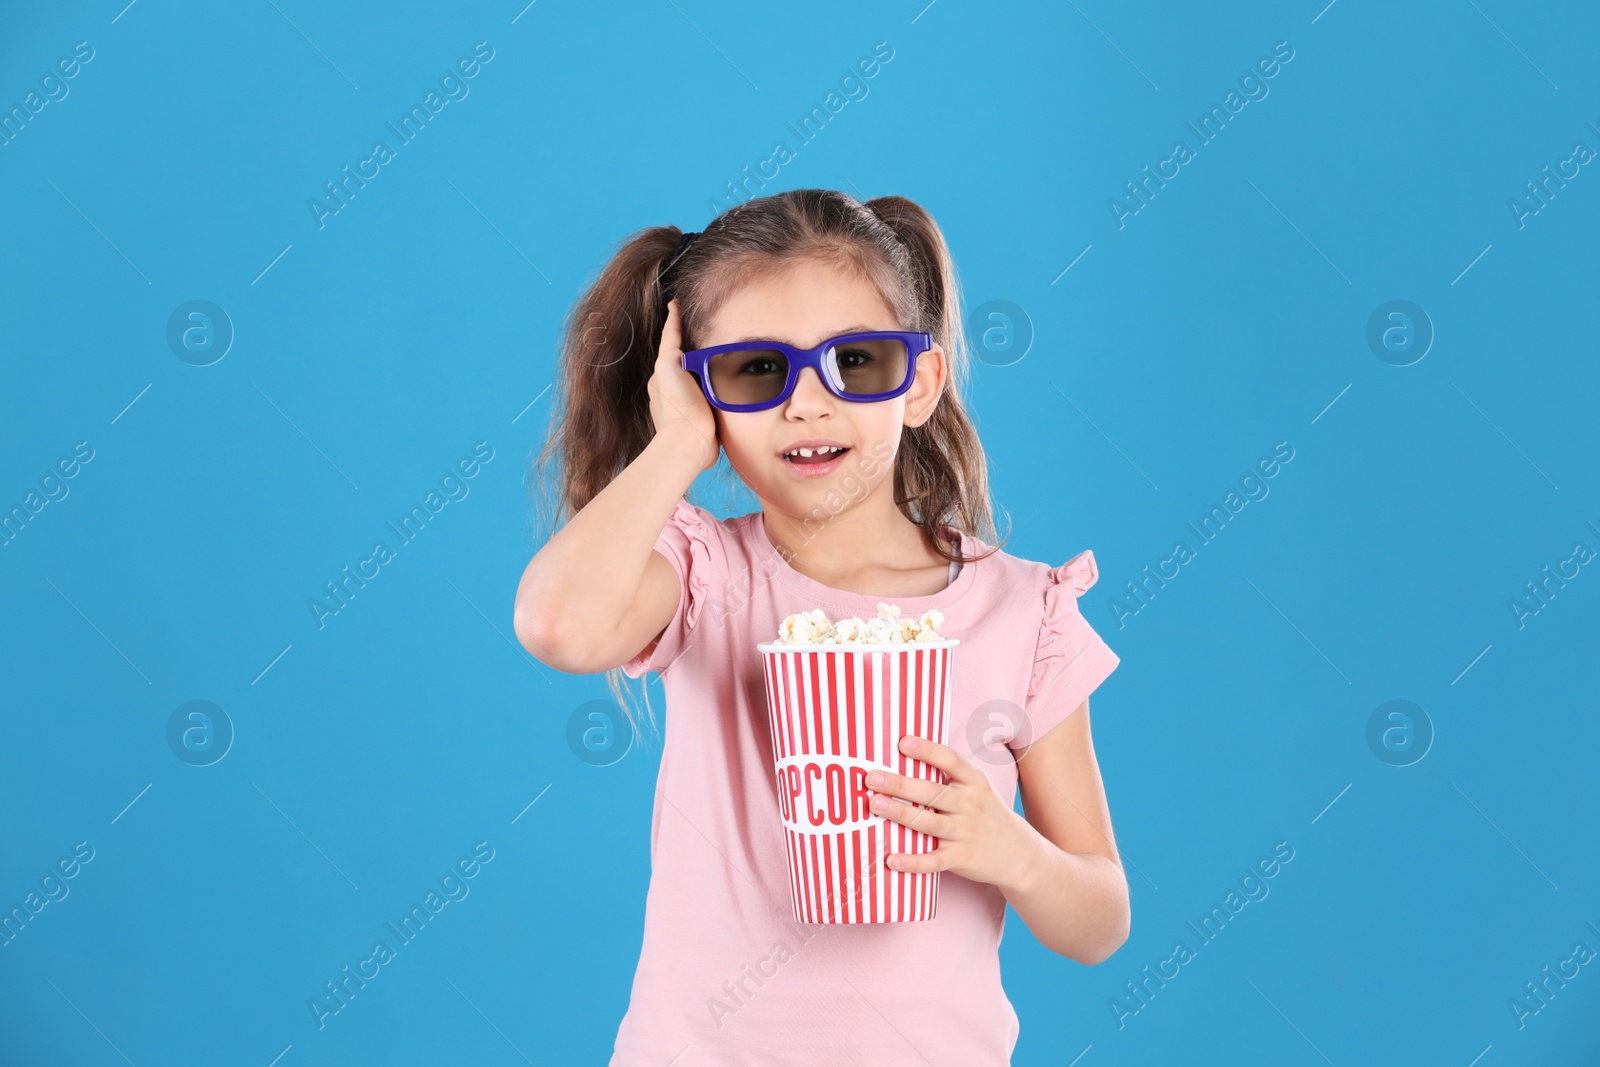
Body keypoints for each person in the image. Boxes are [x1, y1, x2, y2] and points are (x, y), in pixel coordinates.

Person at [514, 189, 1128, 1065]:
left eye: (859, 360)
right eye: (755, 369)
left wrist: (1010, 849)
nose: (808, 401)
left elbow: (1100, 919)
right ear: (700, 395)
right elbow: (558, 625)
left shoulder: (1020, 612)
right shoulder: (702, 576)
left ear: (919, 384)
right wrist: (678, 448)